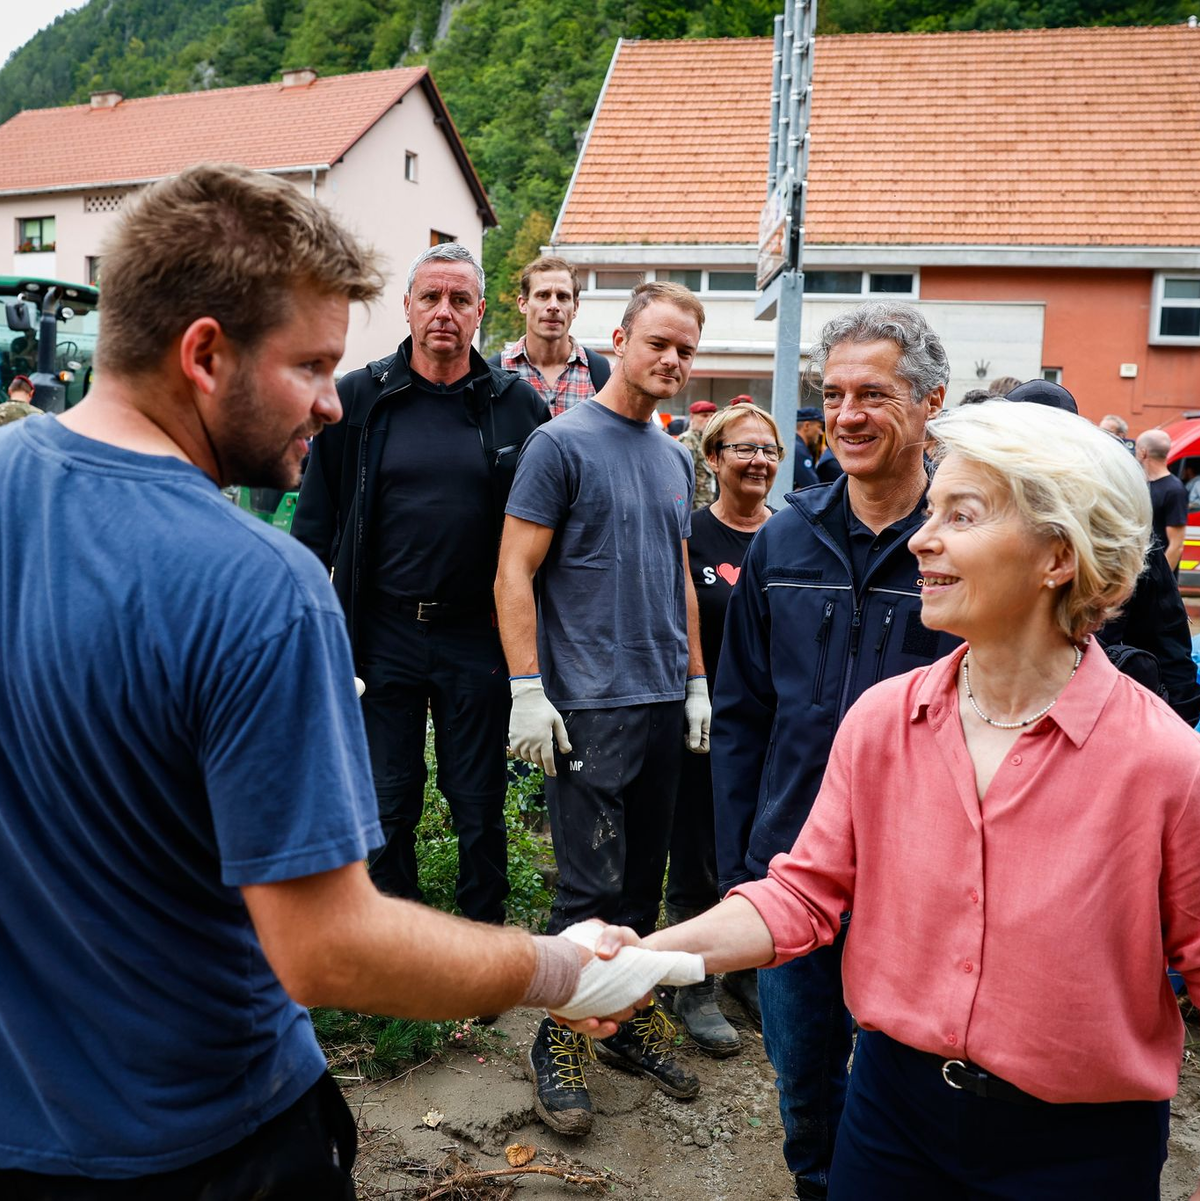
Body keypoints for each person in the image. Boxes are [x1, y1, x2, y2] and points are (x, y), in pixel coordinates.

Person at [0, 163, 619, 1199]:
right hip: (207, 1137)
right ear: (204, 353)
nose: (335, 403)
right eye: (312, 365)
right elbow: (324, 947)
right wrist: (553, 968)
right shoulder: (260, 585)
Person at [619, 400, 1200, 1200]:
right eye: (933, 512)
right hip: (890, 1118)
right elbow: (803, 893)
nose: (922, 539)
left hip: (1084, 1149)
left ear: (1057, 555)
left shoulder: (1166, 763)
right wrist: (642, 959)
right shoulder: (884, 720)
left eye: (961, 515)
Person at [711, 302, 960, 1200]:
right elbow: (742, 713)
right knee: (804, 1083)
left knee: (914, 1085)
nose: (848, 414)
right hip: (795, 864)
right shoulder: (785, 538)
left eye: (875, 394)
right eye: (835, 393)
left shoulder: (963, 544)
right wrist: (742, 856)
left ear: (931, 401)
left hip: (926, 882)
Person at [495, 280, 711, 1137]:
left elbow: (682, 580)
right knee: (585, 891)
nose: (671, 360)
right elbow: (513, 571)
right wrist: (525, 689)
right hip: (589, 702)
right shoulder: (559, 444)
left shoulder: (671, 455)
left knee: (640, 890)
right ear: (617, 339)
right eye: (658, 342)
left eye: (686, 350)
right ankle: (559, 1041)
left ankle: (620, 1023)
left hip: (661, 698)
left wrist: (696, 682)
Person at [293, 243, 547, 935]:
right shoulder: (361, 398)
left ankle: (483, 937)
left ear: (481, 313)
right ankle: (397, 942)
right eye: (430, 297)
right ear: (406, 307)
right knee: (386, 798)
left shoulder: (515, 405)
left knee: (477, 797)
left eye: (459, 299)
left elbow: (547, 536)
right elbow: (314, 528)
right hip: (382, 633)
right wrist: (316, 638)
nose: (444, 312)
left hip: (476, 633)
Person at [664, 400, 783, 1053]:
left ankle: (744, 970)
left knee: (758, 848)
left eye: (768, 449)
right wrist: (692, 689)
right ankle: (694, 981)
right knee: (697, 848)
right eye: (743, 448)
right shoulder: (691, 534)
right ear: (713, 458)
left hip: (770, 725)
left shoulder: (789, 535)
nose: (758, 460)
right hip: (702, 719)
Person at [1004, 380, 1200, 727]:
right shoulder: (974, 529)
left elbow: (1167, 634)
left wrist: (1178, 725)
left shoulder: (1119, 530)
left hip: (1101, 723)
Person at [491, 255, 609, 415]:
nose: (553, 306)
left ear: (575, 307)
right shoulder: (493, 375)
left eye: (563, 297)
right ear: (523, 304)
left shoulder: (603, 375)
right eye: (543, 295)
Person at [1136, 428, 1188, 572]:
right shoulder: (1141, 485)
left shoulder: (1174, 490)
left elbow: (1176, 546)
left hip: (1157, 582)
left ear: (1143, 452)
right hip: (1138, 574)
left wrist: (1162, 581)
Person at [678, 399, 718, 508]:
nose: (709, 420)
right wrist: (683, 505)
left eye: (712, 416)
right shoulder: (688, 440)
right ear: (692, 417)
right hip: (694, 505)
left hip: (708, 501)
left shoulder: (709, 440)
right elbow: (683, 477)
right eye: (704, 416)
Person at [792, 405, 823, 488]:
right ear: (806, 425)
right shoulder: (799, 450)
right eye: (819, 427)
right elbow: (813, 487)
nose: (821, 432)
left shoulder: (793, 444)